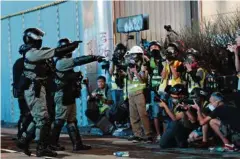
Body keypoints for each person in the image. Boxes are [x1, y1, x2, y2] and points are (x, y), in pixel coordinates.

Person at [16, 28, 82, 157]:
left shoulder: (34, 53)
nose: (40, 41)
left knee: (39, 119)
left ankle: (23, 140)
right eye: (38, 38)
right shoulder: (31, 53)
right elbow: (55, 52)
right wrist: (70, 47)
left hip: (38, 89)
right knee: (43, 120)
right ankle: (41, 148)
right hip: (33, 89)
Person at [50, 38, 104, 152]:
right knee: (60, 120)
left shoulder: (62, 61)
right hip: (63, 95)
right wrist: (94, 57)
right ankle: (52, 143)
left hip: (69, 94)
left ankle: (77, 144)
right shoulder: (61, 62)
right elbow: (78, 61)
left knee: (72, 121)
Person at [125, 46, 153, 143]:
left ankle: (148, 135)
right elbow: (131, 80)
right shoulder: (131, 65)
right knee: (133, 115)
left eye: (135, 55)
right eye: (132, 55)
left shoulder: (143, 66)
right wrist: (130, 71)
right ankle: (137, 134)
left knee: (143, 114)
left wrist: (136, 72)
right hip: (131, 93)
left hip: (140, 93)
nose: (134, 57)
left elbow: (143, 80)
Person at [158, 84, 197, 148]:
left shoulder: (185, 103)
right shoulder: (178, 103)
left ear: (181, 96)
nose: (173, 99)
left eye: (175, 97)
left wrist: (165, 106)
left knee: (173, 124)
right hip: (179, 128)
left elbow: (175, 118)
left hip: (185, 129)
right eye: (172, 97)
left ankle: (183, 142)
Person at [146, 41, 164, 142]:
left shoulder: (163, 60)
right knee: (156, 113)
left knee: (165, 113)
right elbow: (149, 70)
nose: (154, 49)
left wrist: (160, 61)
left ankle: (165, 133)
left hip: (163, 89)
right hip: (154, 90)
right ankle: (158, 134)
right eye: (152, 47)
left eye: (156, 47)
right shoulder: (149, 61)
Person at [12, 56, 33, 140]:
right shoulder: (22, 62)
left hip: (22, 91)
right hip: (24, 91)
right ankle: (21, 135)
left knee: (26, 113)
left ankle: (22, 134)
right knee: (26, 113)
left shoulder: (19, 62)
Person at [109, 43, 127, 117]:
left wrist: (123, 71)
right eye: (118, 51)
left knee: (123, 105)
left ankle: (123, 120)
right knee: (115, 104)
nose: (120, 53)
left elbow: (128, 72)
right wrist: (113, 62)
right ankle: (117, 120)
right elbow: (110, 72)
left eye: (121, 51)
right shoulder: (114, 60)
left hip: (124, 87)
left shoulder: (126, 60)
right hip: (115, 87)